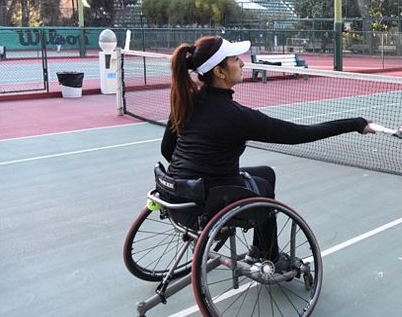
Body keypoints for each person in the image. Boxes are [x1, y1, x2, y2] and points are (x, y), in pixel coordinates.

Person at [160, 35, 373, 266]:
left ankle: (259, 245)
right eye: (234, 59)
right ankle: (267, 253)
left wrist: (204, 168)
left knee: (266, 173)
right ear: (220, 72)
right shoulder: (237, 116)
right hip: (205, 203)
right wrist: (354, 124)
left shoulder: (186, 101)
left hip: (175, 195)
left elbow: (166, 149)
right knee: (262, 190)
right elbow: (300, 134)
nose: (242, 63)